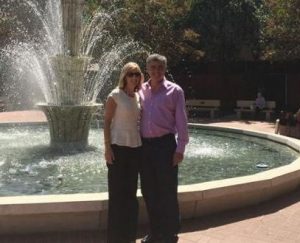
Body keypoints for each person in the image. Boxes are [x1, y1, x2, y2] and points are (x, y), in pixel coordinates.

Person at [139, 54, 189, 243]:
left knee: (167, 191)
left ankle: (169, 233)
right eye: (153, 67)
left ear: (164, 69)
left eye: (160, 67)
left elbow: (182, 122)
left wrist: (180, 149)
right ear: (147, 69)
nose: (156, 71)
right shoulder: (141, 90)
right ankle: (154, 231)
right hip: (145, 146)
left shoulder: (175, 91)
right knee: (149, 190)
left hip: (165, 145)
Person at [103, 62, 144, 243]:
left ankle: (129, 236)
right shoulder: (115, 95)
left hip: (135, 149)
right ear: (124, 76)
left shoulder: (138, 96)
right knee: (117, 195)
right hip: (117, 149)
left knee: (131, 195)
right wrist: (107, 148)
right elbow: (106, 122)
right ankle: (115, 238)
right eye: (130, 74)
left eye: (137, 74)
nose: (134, 77)